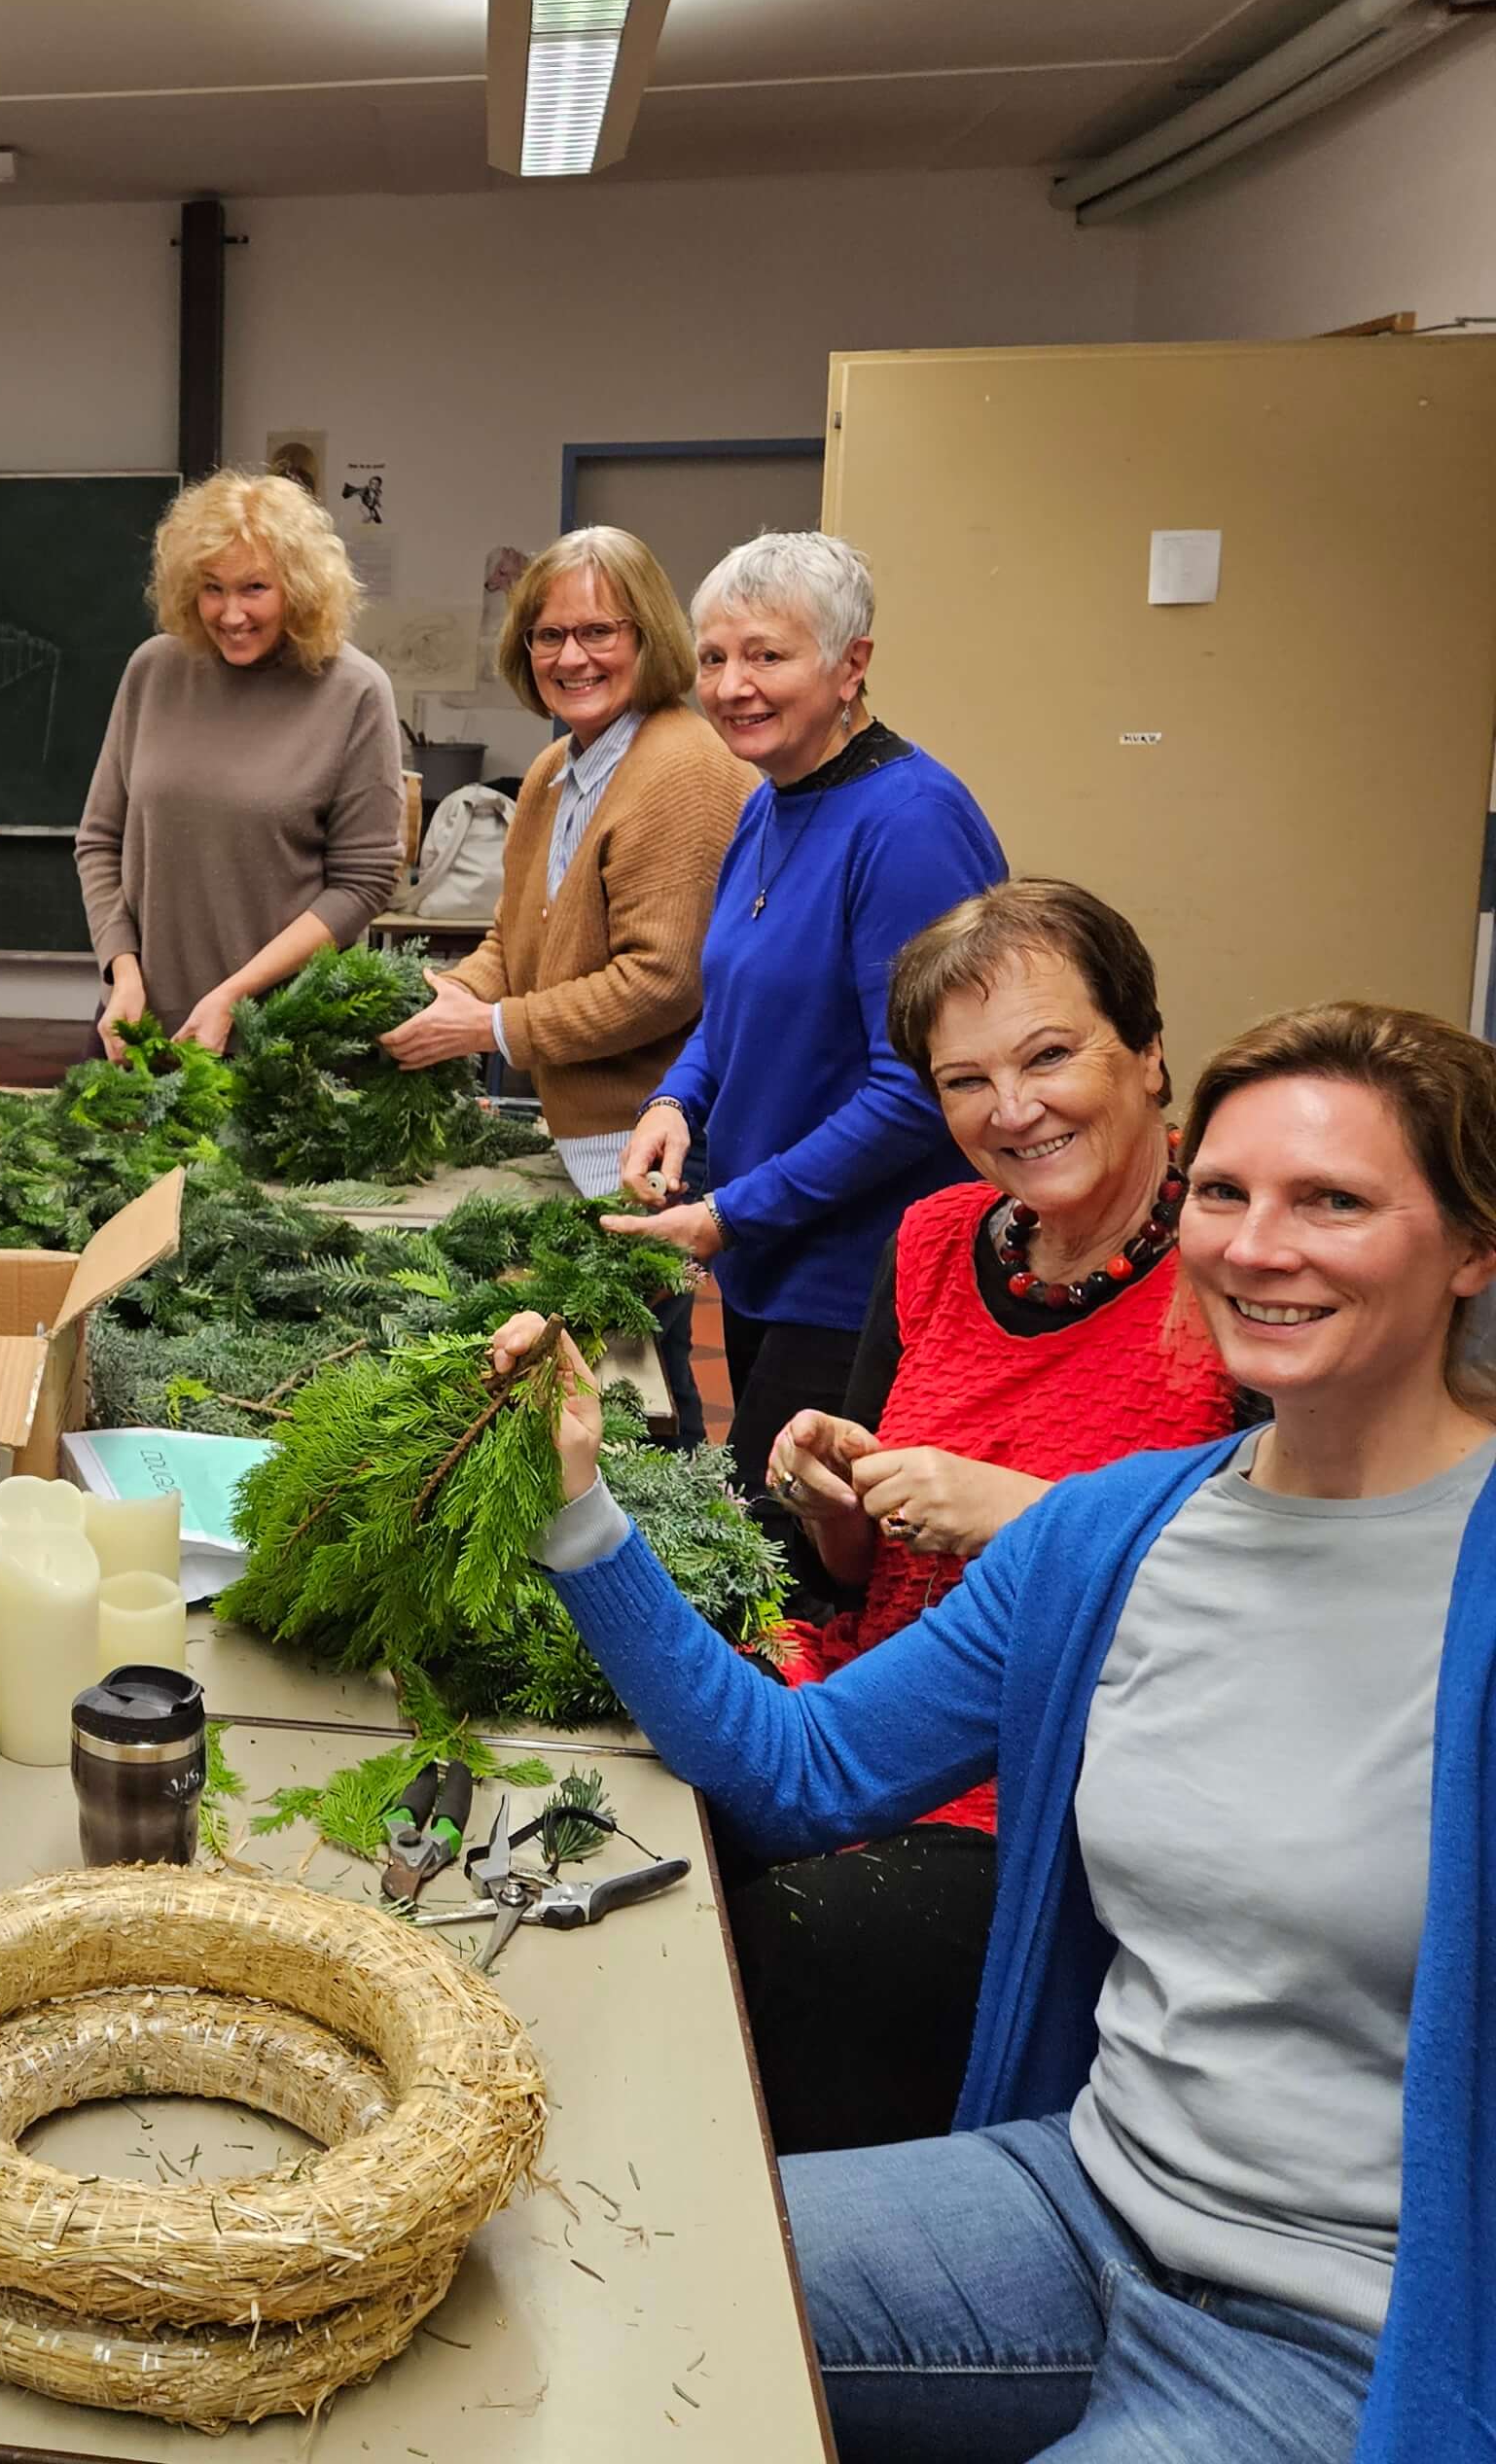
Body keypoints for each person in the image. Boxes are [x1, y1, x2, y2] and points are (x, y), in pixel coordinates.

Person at [492, 998, 1496, 2464]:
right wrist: (582, 1514)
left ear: (1474, 1248)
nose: (1259, 1245)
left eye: (1333, 1201)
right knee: (558, 2266)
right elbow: (805, 1768)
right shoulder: (1115, 1537)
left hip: (1349, 2340)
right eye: (1224, 1192)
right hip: (1077, 2205)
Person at [727, 880, 1247, 2153]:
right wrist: (840, 1501)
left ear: (1149, 1051)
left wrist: (1029, 1518)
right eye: (965, 1082)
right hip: (857, 1727)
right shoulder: (933, 1240)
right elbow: (855, 1583)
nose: (1010, 1111)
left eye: (1050, 1055)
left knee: (780, 1949)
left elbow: (1260, 1607)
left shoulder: (1242, 1274)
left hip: (1046, 1803)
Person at [608, 531, 1004, 1534]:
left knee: (786, 1560)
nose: (732, 684)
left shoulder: (910, 822)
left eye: (767, 656)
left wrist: (731, 1211)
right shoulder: (770, 799)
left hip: (853, 1280)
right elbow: (730, 996)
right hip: (768, 1256)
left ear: (851, 663)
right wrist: (675, 1099)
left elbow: (917, 1089)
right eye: (712, 657)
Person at [378, 526, 753, 1435]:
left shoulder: (682, 768)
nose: (571, 656)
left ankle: (676, 1553)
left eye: (599, 632)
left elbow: (663, 981)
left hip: (663, 1139)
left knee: (640, 1385)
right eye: (549, 635)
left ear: (649, 638)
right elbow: (517, 935)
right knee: (621, 1370)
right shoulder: (554, 771)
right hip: (593, 1138)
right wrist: (459, 994)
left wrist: (492, 1030)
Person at [76, 469, 405, 1056]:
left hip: (283, 1040)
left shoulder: (354, 691)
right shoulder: (153, 672)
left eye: (255, 587)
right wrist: (121, 973)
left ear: (299, 587)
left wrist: (233, 994)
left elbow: (364, 883)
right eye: (211, 588)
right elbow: (100, 841)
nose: (230, 614)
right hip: (139, 1028)